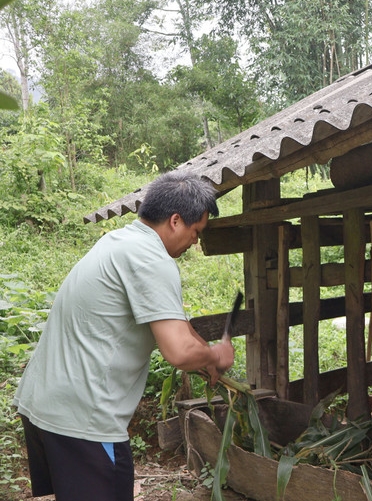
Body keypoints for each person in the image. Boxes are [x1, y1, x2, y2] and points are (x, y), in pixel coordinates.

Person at [13, 170, 235, 501]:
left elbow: (175, 324)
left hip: (43, 409)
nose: (195, 241)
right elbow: (178, 350)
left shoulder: (119, 241)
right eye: (195, 231)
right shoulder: (151, 259)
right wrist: (216, 355)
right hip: (83, 423)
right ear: (175, 221)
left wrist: (202, 355)